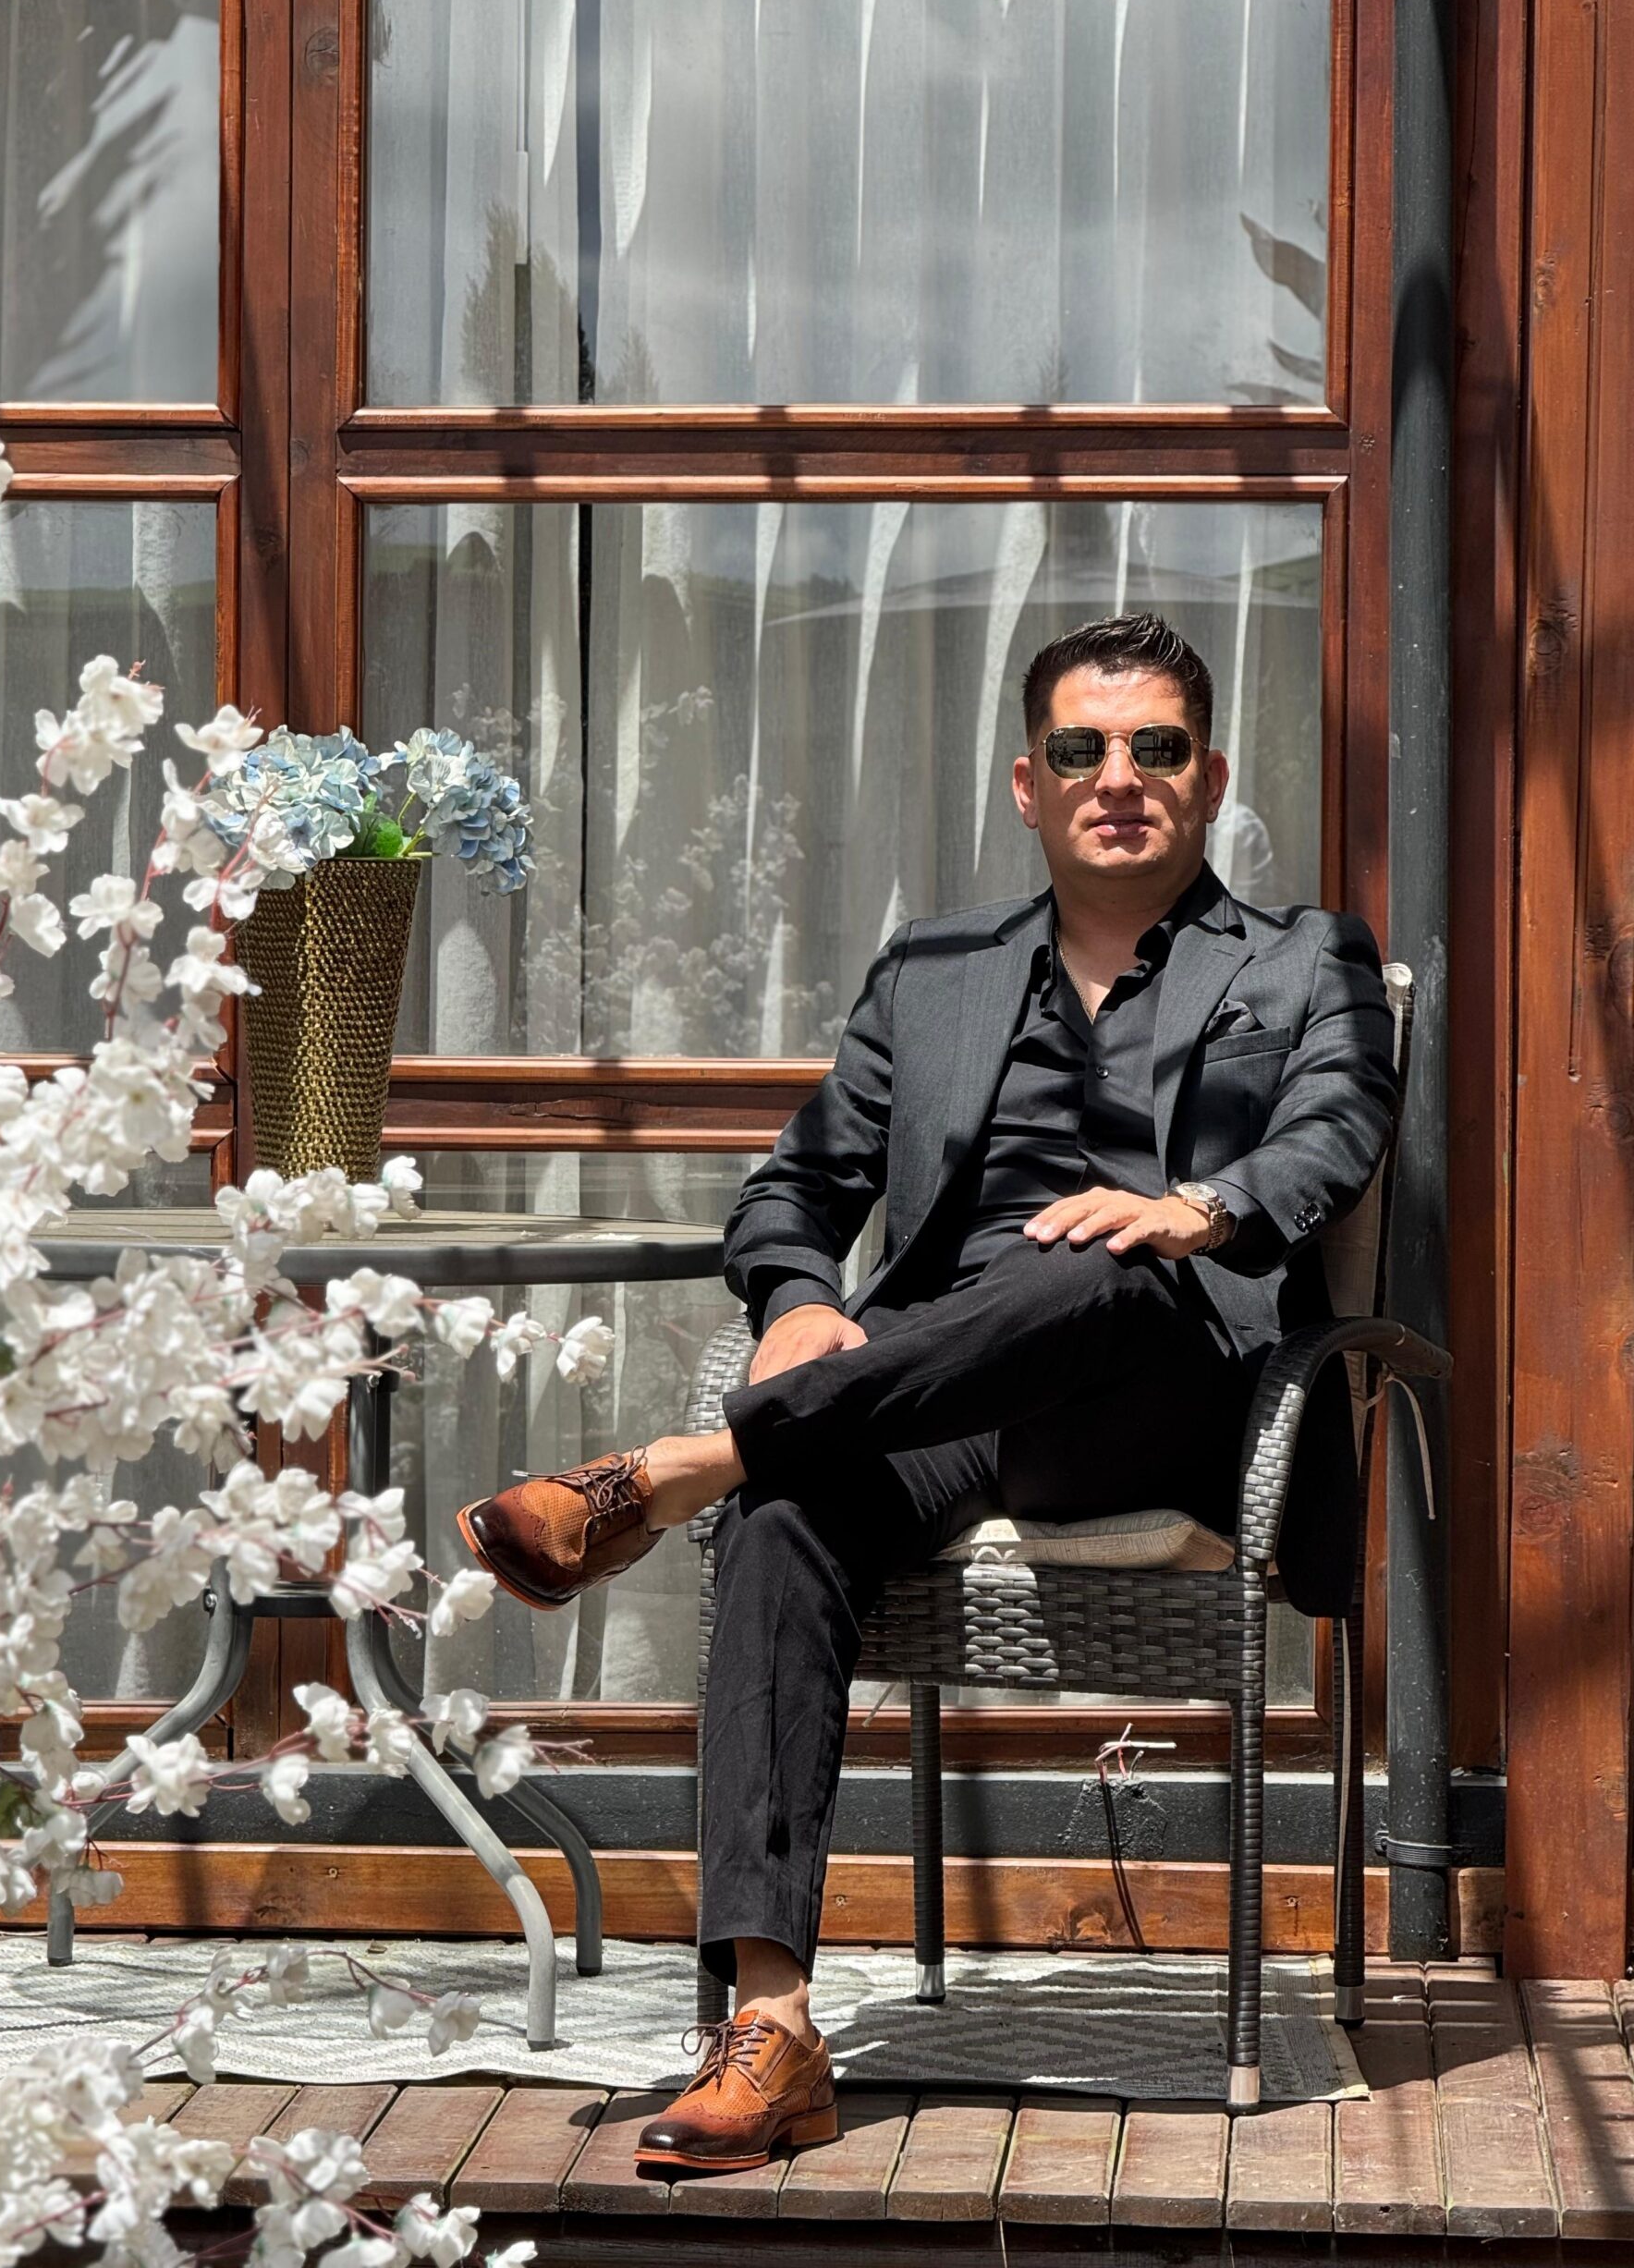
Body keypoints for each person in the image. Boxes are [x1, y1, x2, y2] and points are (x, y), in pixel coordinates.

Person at [456, 612, 1400, 2173]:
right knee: (785, 1520)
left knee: (1097, 1259)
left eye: (1157, 748)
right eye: (1081, 749)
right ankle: (773, 2028)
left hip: (1166, 1390)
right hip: (938, 1398)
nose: (1119, 777)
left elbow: (1336, 1130)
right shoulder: (937, 973)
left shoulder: (1306, 959)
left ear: (1211, 777)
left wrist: (1197, 1209)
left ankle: (677, 1467)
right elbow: (793, 1190)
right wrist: (800, 1302)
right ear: (1029, 783)